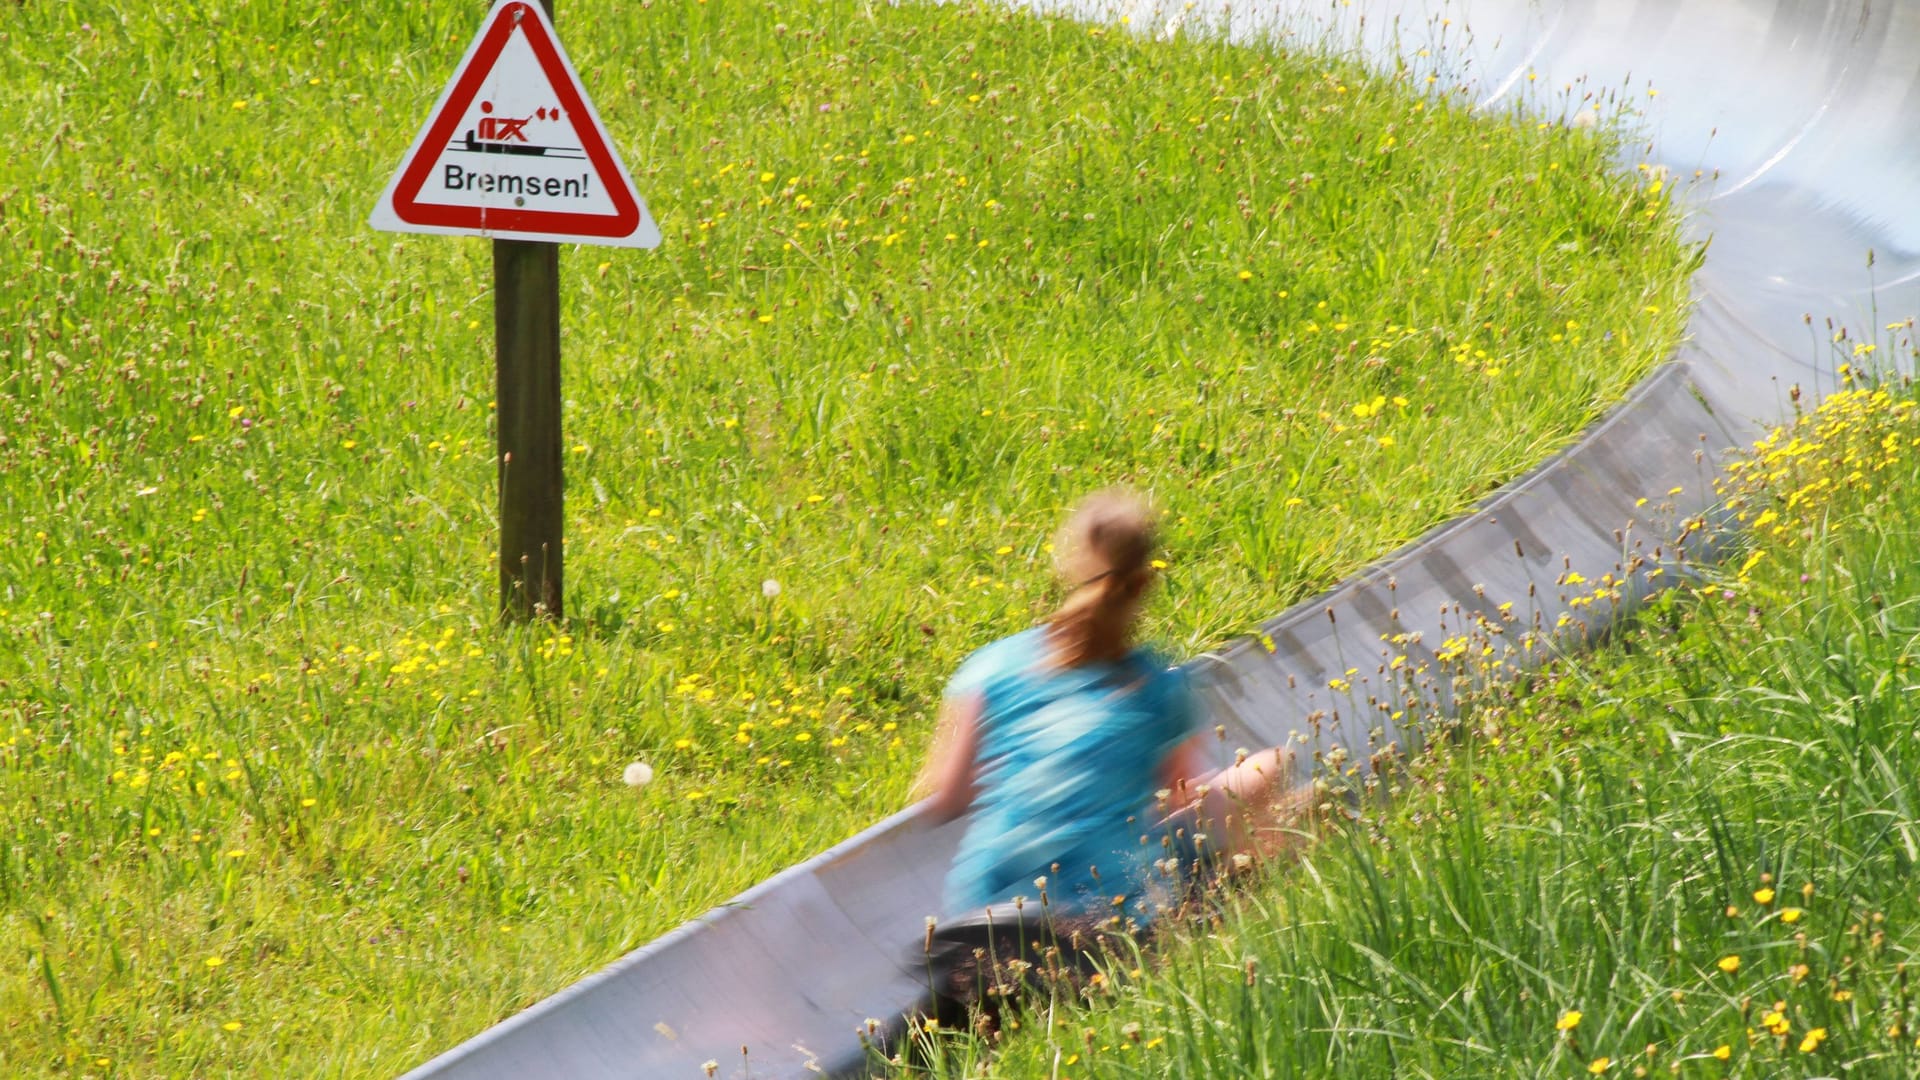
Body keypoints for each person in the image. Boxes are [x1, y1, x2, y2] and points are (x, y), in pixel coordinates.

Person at [915, 489, 1314, 936]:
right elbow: (1176, 799)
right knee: (1272, 770)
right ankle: (1243, 898)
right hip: (1105, 907)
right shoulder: (1158, 685)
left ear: (1065, 568)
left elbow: (948, 797)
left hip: (983, 902)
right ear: (1143, 584)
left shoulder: (991, 665)